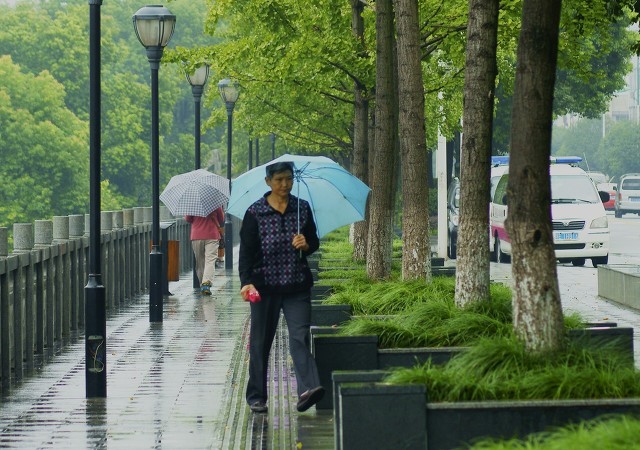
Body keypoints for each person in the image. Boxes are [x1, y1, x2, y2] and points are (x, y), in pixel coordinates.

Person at [238, 161, 324, 414]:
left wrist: (305, 244)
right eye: (278, 180)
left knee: (299, 337)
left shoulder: (302, 208)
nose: (284, 185)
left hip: (296, 285)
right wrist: (246, 282)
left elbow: (314, 241)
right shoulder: (255, 213)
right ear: (268, 182)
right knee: (260, 342)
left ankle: (308, 388)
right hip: (264, 288)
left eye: (288, 179)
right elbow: (246, 253)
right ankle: (256, 396)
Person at [185, 206, 225, 295]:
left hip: (197, 235)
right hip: (212, 235)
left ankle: (202, 284)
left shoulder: (192, 203)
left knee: (200, 262)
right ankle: (206, 284)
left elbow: (188, 219)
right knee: (210, 261)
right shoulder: (216, 203)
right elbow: (221, 219)